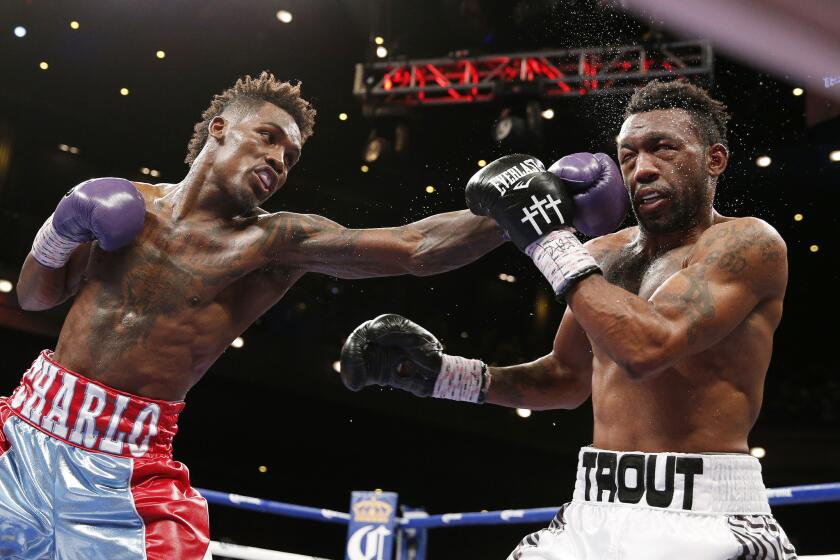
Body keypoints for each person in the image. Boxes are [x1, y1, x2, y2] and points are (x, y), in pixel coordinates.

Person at [1, 71, 508, 559]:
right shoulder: (127, 206)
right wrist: (59, 230)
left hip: (126, 468)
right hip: (21, 436)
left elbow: (415, 247)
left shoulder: (273, 242)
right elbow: (35, 298)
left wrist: (526, 209)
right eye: (267, 138)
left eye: (290, 156)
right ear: (219, 128)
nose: (278, 160)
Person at [340, 80, 796, 559]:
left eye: (663, 149)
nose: (642, 169)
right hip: (592, 508)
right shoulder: (603, 254)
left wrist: (549, 239)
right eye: (628, 155)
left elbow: (649, 348)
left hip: (705, 515)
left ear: (714, 159)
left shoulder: (748, 244)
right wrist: (443, 376)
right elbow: (565, 377)